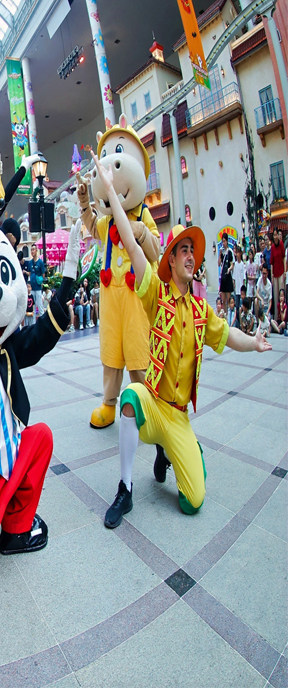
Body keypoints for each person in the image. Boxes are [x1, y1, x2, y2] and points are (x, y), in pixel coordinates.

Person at [91, 152, 271, 528]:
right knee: (130, 397)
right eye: (183, 250)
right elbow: (132, 245)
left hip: (179, 417)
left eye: (193, 251)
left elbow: (228, 335)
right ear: (170, 260)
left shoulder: (202, 311)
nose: (190, 257)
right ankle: (125, 489)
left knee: (193, 502)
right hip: (154, 404)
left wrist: (253, 343)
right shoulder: (155, 293)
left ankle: (178, 452)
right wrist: (109, 189)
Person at [270, 229, 285, 319]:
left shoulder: (281, 244)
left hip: (281, 272)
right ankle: (276, 317)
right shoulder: (272, 247)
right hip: (275, 274)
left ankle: (283, 316)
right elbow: (271, 262)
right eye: (274, 235)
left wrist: (285, 271)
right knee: (275, 296)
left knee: (281, 295)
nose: (275, 237)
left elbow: (283, 258)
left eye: (276, 235)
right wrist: (272, 275)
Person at [217, 233, 233, 310]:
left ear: (227, 241)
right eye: (222, 241)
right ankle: (224, 313)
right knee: (223, 300)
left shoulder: (230, 251)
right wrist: (220, 254)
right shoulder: (222, 252)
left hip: (228, 276)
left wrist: (229, 269)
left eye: (224, 241)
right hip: (223, 277)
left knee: (228, 298)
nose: (223, 243)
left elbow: (232, 264)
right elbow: (218, 264)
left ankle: (229, 313)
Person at [29, 245, 46, 319]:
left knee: (40, 306)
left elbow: (43, 274)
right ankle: (33, 323)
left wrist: (40, 280)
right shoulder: (30, 262)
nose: (32, 251)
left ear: (36, 250)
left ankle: (42, 323)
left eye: (33, 249)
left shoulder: (40, 262)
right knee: (33, 307)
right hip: (32, 288)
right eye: (31, 250)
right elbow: (30, 273)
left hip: (38, 288)